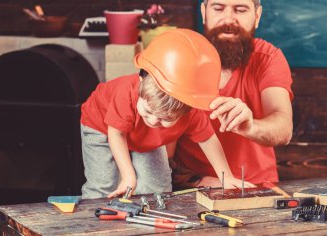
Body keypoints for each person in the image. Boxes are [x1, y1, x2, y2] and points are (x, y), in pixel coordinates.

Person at [80, 29, 248, 199]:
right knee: (104, 185)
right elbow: (116, 133)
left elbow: (207, 139)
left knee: (158, 186)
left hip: (142, 137)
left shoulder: (191, 112)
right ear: (140, 83)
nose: (153, 121)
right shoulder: (125, 93)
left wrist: (225, 177)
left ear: (187, 111)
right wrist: (128, 176)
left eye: (165, 119)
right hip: (101, 126)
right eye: (147, 111)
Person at [171, 0, 294, 188]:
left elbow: (283, 128)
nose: (228, 19)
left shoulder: (269, 58)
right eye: (218, 8)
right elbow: (156, 143)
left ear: (257, 16)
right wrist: (197, 181)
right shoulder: (178, 58)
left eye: (240, 9)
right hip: (192, 190)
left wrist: (251, 127)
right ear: (204, 12)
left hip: (256, 188)